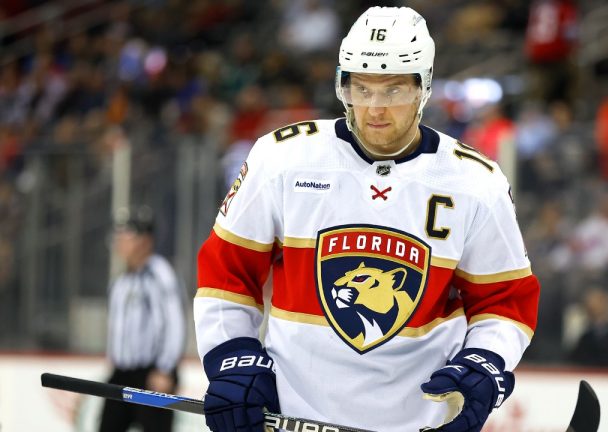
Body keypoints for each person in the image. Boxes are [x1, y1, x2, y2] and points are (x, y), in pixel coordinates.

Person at [194, 6, 540, 432]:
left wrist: (485, 362)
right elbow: (226, 275)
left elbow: (505, 301)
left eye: (393, 90)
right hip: (292, 415)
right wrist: (233, 358)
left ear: (423, 88)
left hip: (419, 421)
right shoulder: (281, 158)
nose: (374, 108)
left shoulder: (475, 182)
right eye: (361, 88)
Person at [100, 206, 187, 432]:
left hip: (151, 374)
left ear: (145, 239)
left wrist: (165, 369)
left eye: (127, 234)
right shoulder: (121, 281)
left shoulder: (159, 273)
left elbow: (174, 322)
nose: (120, 240)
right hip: (122, 373)